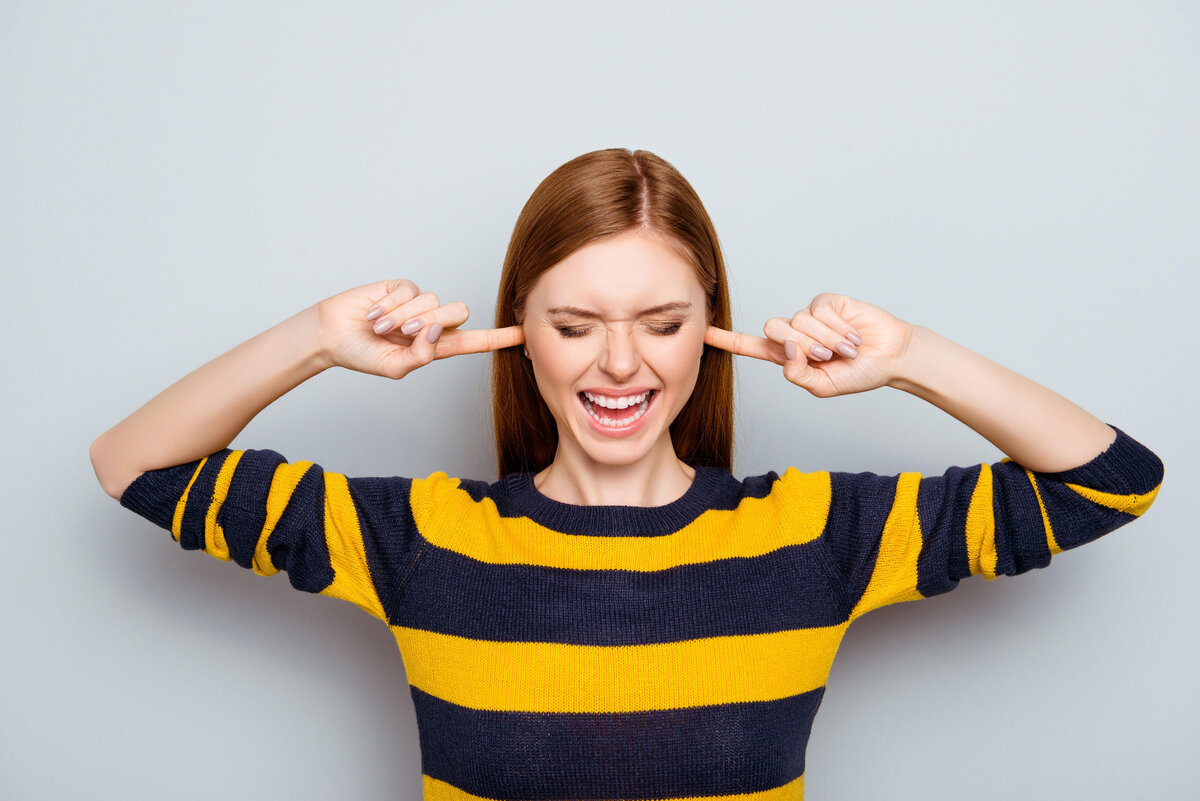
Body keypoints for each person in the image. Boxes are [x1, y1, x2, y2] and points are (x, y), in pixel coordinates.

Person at [90, 148, 1164, 800]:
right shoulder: (419, 539)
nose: (618, 363)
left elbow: (1110, 481)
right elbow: (131, 463)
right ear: (521, 332)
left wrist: (911, 356)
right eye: (573, 325)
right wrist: (318, 340)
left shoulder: (814, 533)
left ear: (712, 330)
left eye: (661, 322)